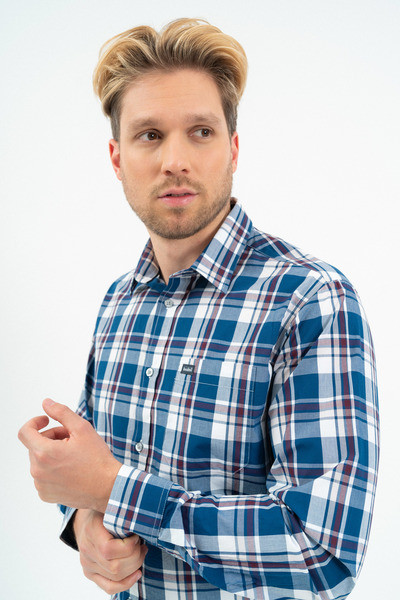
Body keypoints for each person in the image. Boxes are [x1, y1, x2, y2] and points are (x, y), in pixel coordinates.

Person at [18, 17, 380, 600]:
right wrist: (83, 522)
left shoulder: (310, 299)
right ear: (117, 158)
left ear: (233, 148)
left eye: (201, 132)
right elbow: (86, 474)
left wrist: (113, 490)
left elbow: (324, 553)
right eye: (149, 135)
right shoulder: (119, 301)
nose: (175, 160)